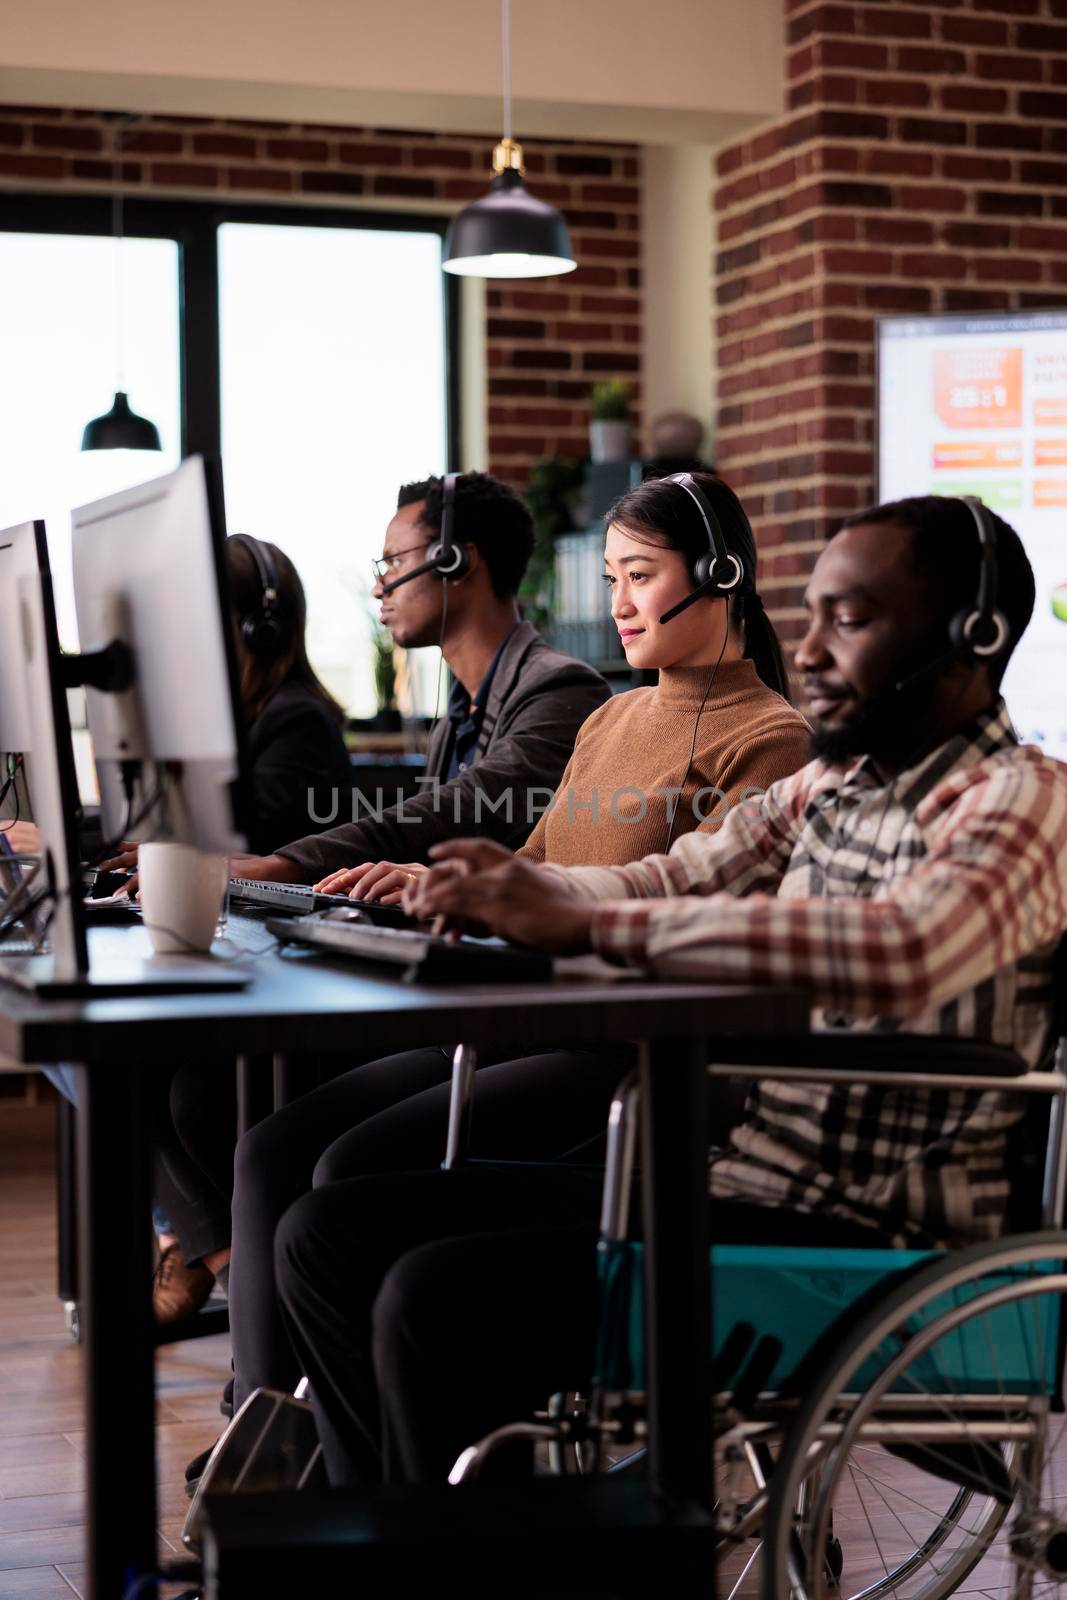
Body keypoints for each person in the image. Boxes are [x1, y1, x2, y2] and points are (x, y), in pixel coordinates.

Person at [269, 495, 1067, 1488]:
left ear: (971, 638)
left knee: (430, 1296)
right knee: (326, 1237)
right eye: (809, 614)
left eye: (847, 620)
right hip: (734, 1186)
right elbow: (671, 877)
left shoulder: (1026, 799)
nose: (808, 647)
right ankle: (409, 1548)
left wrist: (585, 921)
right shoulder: (832, 783)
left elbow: (902, 945)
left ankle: (464, 1555)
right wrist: (509, 891)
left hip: (875, 1250)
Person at [203, 472, 810, 1469]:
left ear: (719, 575)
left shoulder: (768, 738)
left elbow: (703, 918)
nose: (617, 601)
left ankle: (385, 1477)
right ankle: (292, 1457)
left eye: (641, 575)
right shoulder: (613, 718)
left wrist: (539, 905)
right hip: (531, 1020)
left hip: (620, 1050)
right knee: (275, 1149)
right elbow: (533, 859)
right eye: (610, 576)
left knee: (348, 1173)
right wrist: (428, 877)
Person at [227, 471, 611, 896]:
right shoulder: (456, 719)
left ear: (455, 561)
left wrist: (282, 864)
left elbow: (461, 808)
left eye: (393, 562)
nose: (378, 588)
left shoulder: (561, 688)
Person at [148, 533, 353, 1321]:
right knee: (119, 1063)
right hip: (248, 951)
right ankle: (225, 1264)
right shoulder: (246, 718)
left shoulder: (297, 721)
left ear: (254, 627)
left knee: (157, 1073)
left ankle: (226, 1270)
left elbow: (258, 848)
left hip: (289, 970)